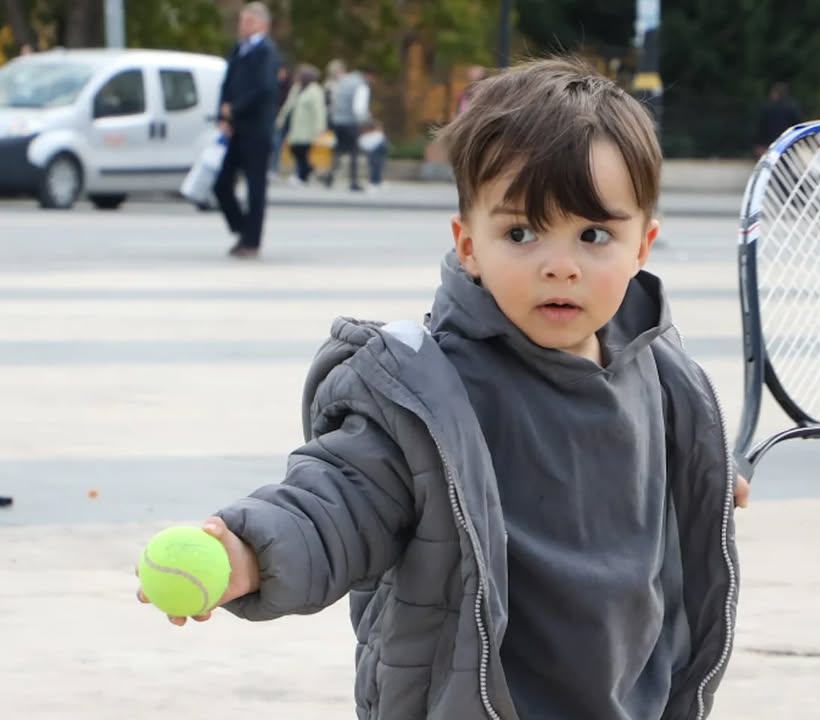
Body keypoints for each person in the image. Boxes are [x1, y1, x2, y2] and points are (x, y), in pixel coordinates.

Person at [136, 57, 748, 720]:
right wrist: (249, 550)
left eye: (594, 235)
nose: (560, 266)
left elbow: (667, 500)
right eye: (521, 232)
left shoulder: (664, 379)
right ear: (468, 245)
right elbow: (340, 497)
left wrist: (708, 472)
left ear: (643, 245)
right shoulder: (424, 394)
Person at [212, 2, 281, 259]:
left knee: (255, 188)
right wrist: (222, 114)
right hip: (236, 129)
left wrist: (236, 110)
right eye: (242, 21)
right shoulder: (239, 50)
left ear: (263, 24)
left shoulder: (266, 52)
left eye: (249, 21)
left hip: (257, 130)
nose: (244, 26)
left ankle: (251, 241)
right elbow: (227, 84)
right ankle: (242, 227)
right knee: (221, 184)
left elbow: (264, 90)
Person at [322, 59, 369, 191]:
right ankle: (353, 181)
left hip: (337, 121)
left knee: (339, 149)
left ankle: (330, 176)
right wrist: (362, 121)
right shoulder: (359, 84)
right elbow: (359, 107)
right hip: (350, 121)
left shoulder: (342, 83)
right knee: (353, 151)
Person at [277, 64, 325, 184]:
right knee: (295, 148)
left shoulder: (315, 90)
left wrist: (320, 127)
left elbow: (319, 110)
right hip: (296, 124)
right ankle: (308, 170)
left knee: (302, 150)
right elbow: (288, 105)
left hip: (307, 125)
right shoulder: (297, 88)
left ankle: (303, 175)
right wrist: (280, 119)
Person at [753, 82, 800, 156]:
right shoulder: (792, 108)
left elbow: (762, 127)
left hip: (771, 143)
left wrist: (759, 143)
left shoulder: (768, 108)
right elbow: (797, 125)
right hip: (788, 142)